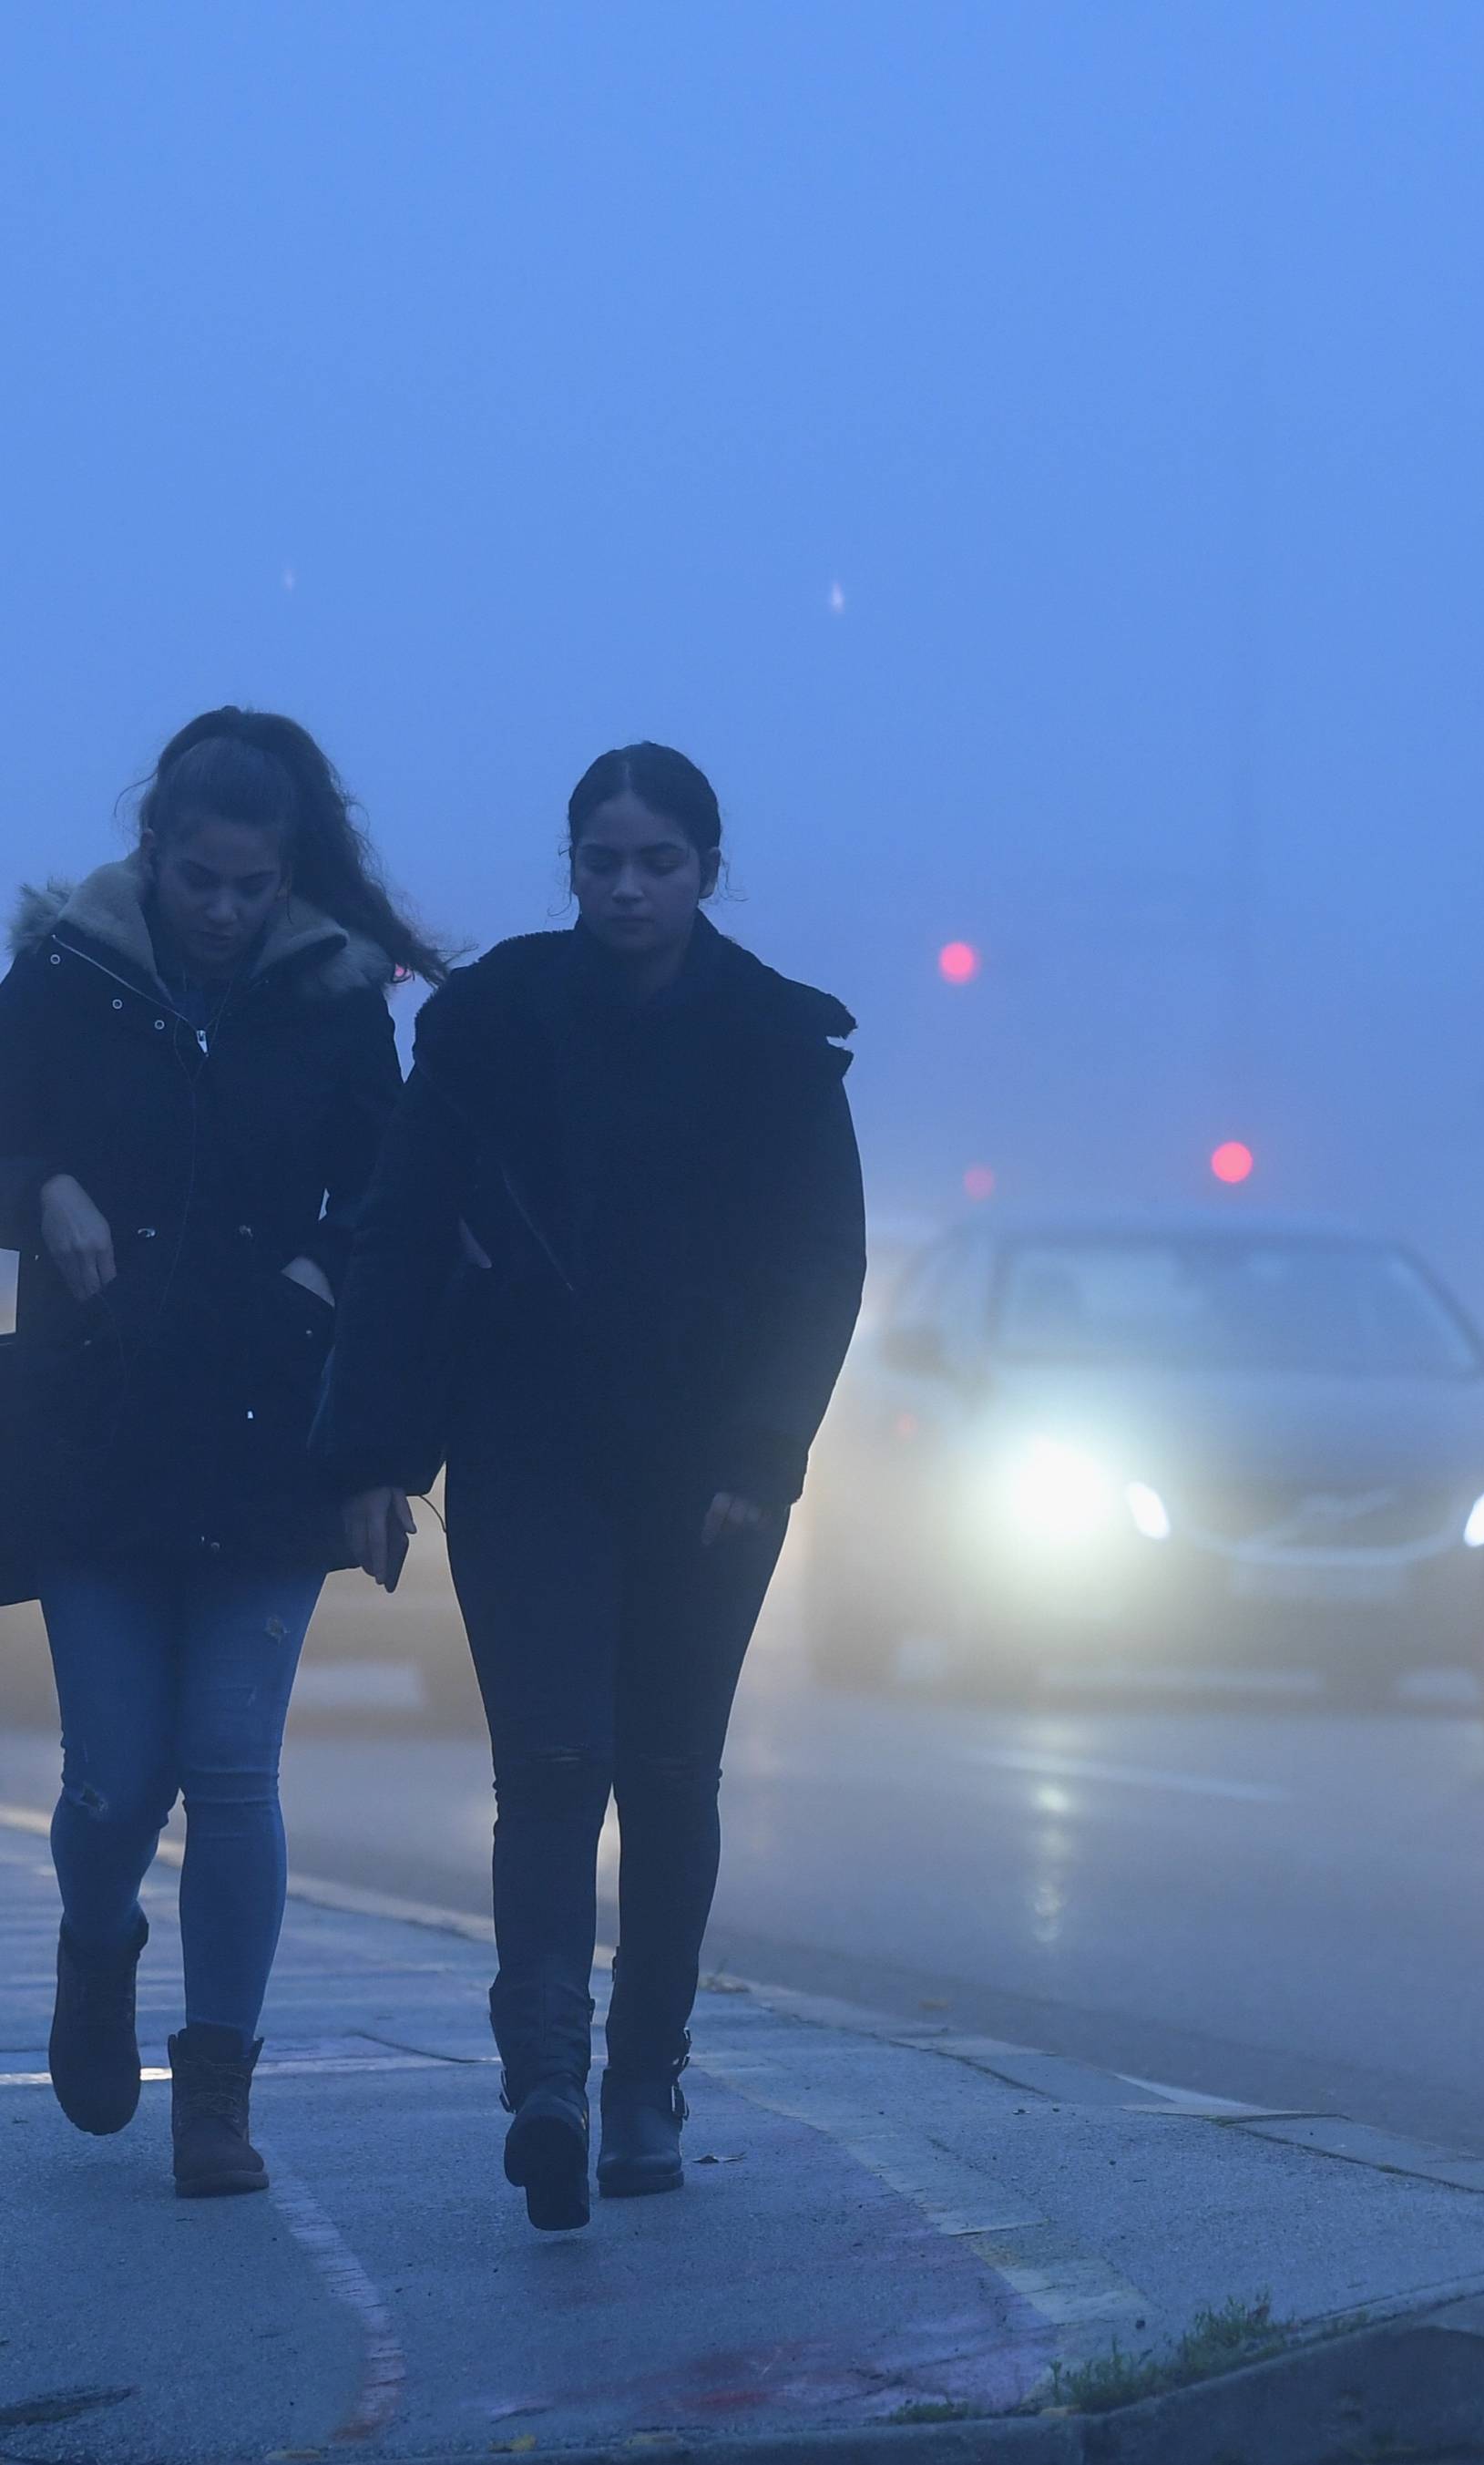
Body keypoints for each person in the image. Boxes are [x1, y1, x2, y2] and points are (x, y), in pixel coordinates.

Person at [317, 743, 865, 2233]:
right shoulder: (490, 1024)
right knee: (551, 1762)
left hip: (706, 1473)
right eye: (601, 860)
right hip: (525, 1442)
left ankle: (644, 2077)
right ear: (571, 866)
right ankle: (546, 2076)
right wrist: (370, 1453)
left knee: (671, 1772)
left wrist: (764, 1454)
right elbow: (401, 1236)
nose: (627, 887)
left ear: (706, 869)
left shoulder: (775, 1039)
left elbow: (823, 1269)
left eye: (658, 862)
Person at [0, 708, 443, 2199]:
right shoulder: (67, 970)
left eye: (254, 885)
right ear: (158, 854)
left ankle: (218, 2094)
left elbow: (393, 1201)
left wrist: (325, 1281)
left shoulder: (328, 996)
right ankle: (99, 1939)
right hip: (97, 1435)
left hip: (268, 1437)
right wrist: (44, 1182)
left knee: (231, 1766)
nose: (226, 909)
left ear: (288, 875)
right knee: (116, 1778)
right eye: (202, 879)